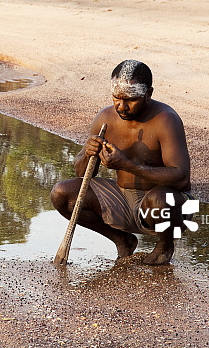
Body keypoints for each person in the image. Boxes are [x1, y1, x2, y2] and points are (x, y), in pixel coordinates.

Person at [51, 60, 191, 265]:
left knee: (159, 201)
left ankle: (165, 245)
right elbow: (82, 173)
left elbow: (182, 178)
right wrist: (88, 154)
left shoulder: (166, 119)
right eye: (117, 98)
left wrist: (127, 165)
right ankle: (122, 240)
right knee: (61, 193)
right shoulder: (105, 118)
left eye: (131, 100)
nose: (121, 106)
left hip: (164, 205)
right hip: (122, 198)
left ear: (148, 94)